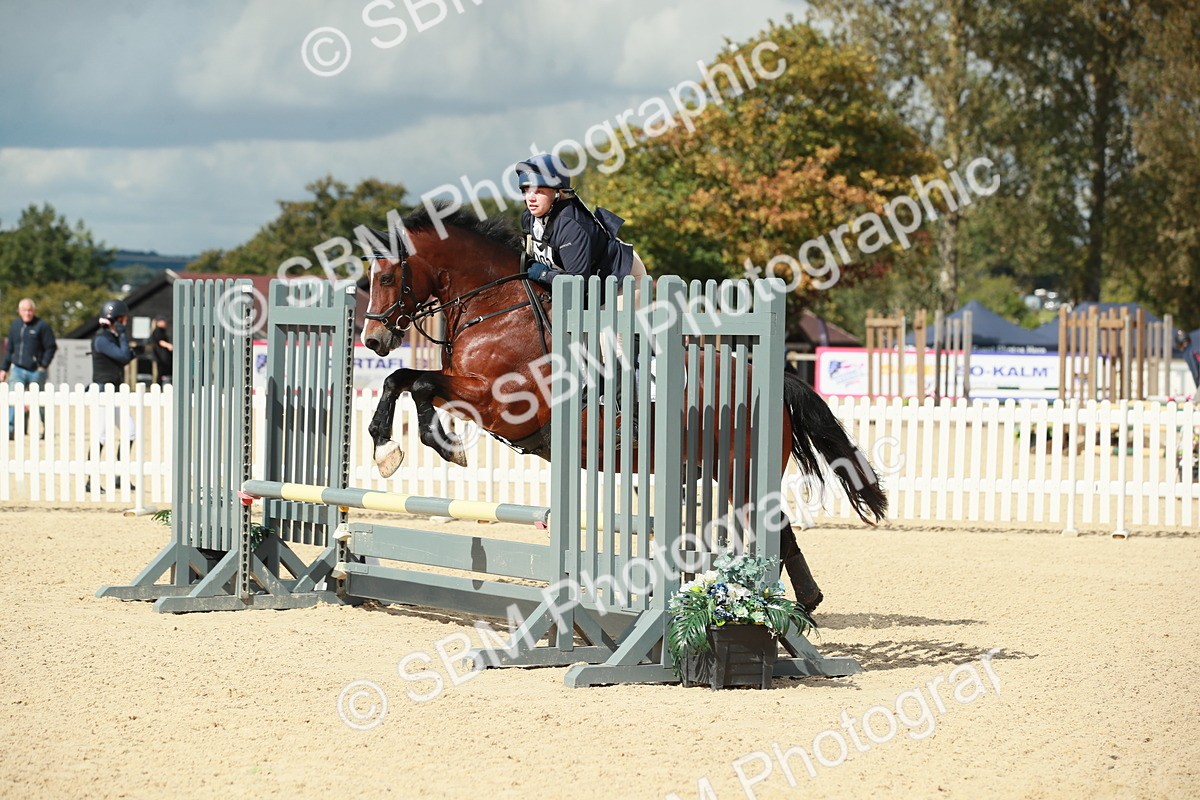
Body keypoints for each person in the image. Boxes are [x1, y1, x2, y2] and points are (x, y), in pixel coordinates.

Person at [515, 153, 647, 287]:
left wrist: (544, 275)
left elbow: (578, 282)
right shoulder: (528, 218)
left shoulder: (570, 225)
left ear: (557, 192)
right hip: (590, 281)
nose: (530, 198)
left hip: (622, 278)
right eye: (526, 190)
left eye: (538, 191)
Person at [87, 299, 137, 493]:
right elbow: (123, 356)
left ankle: (119, 476)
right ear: (116, 319)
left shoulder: (111, 337)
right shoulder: (101, 338)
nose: (125, 323)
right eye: (123, 319)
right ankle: (91, 480)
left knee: (130, 431)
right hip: (102, 391)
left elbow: (122, 357)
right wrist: (124, 338)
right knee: (100, 435)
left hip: (115, 391)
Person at [0, 297, 57, 439]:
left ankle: (47, 429)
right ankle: (10, 430)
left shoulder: (42, 326)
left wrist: (43, 365)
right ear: (19, 311)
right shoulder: (15, 326)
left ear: (34, 311)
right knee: (13, 399)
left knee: (40, 401)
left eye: (30, 310)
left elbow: (51, 347)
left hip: (36, 371)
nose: (27, 313)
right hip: (17, 369)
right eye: (24, 310)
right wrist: (3, 369)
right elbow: (10, 350)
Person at [148, 316, 173, 384]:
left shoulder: (162, 331)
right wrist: (169, 346)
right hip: (160, 356)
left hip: (163, 356)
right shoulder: (157, 331)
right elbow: (160, 341)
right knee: (161, 372)